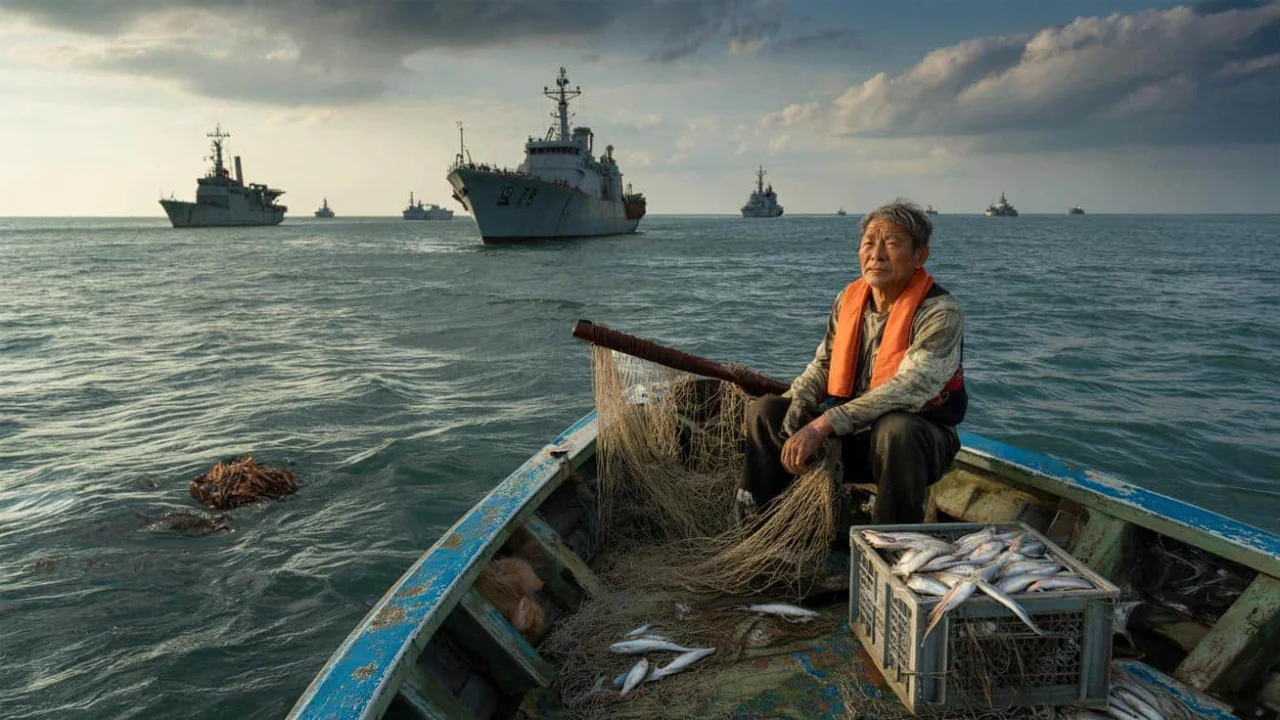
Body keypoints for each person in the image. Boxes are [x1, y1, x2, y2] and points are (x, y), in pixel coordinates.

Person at [737, 199, 967, 527]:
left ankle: (892, 548)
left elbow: (909, 388)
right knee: (766, 412)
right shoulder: (849, 299)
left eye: (892, 244)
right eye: (869, 244)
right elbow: (825, 363)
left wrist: (822, 425)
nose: (877, 254)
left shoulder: (940, 313)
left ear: (919, 256)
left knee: (897, 430)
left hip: (915, 444)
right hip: (850, 436)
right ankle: (760, 531)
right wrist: (798, 402)